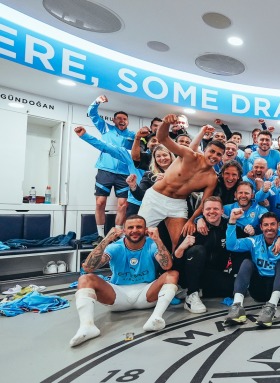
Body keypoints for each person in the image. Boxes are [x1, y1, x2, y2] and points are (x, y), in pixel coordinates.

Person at [69, 215, 178, 347]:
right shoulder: (116, 247)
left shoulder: (152, 244)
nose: (135, 230)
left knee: (172, 274)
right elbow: (88, 267)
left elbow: (167, 266)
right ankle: (87, 326)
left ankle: (155, 318)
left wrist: (158, 240)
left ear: (145, 230)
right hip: (118, 296)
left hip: (146, 294)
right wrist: (106, 239)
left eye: (139, 227)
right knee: (85, 279)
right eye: (130, 227)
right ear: (124, 231)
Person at [137, 114, 225, 251]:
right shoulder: (189, 155)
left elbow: (204, 202)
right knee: (138, 234)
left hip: (177, 205)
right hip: (156, 198)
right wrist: (166, 123)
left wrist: (192, 220)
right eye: (212, 151)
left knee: (180, 243)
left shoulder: (212, 178)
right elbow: (162, 138)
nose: (214, 156)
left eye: (219, 154)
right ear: (205, 150)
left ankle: (174, 271)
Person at [223, 211, 280, 327]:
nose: (269, 228)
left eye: (272, 224)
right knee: (247, 262)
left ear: (278, 226)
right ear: (261, 227)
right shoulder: (254, 241)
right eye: (266, 225)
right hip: (258, 291)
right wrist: (232, 221)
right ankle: (237, 306)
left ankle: (271, 307)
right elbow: (231, 245)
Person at [87, 95, 136, 245]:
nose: (122, 121)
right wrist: (97, 101)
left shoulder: (133, 136)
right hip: (105, 171)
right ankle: (100, 235)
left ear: (128, 122)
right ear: (114, 120)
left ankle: (118, 234)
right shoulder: (106, 128)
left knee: (123, 205)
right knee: (100, 202)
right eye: (119, 118)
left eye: (125, 119)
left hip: (124, 174)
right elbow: (92, 113)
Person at [174, 197, 233, 314]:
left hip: (210, 274)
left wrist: (248, 229)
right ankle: (191, 295)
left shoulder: (229, 227)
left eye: (216, 209)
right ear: (203, 211)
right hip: (189, 273)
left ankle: (196, 291)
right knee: (198, 250)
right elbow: (175, 262)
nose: (212, 212)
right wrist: (182, 247)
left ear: (222, 211)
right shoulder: (191, 228)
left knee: (234, 287)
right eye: (208, 209)